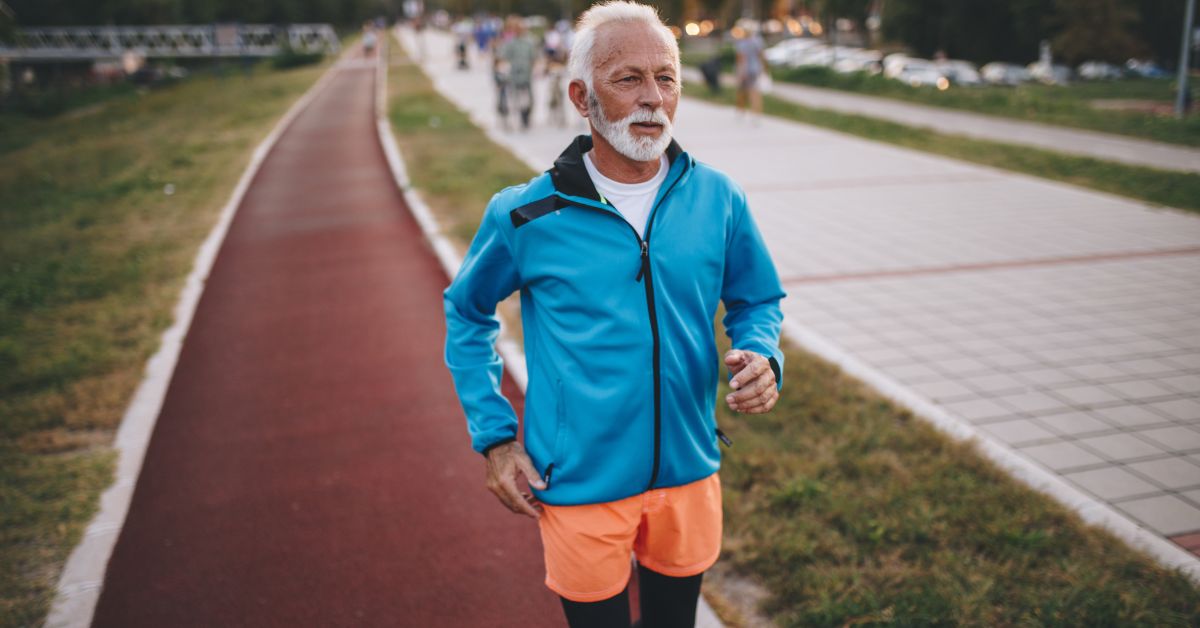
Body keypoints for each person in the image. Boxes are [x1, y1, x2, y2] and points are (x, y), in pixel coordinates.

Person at [443, 2, 784, 626]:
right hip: (578, 484)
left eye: (667, 77)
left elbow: (757, 297)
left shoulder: (717, 196)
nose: (653, 98)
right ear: (582, 95)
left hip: (688, 472)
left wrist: (763, 353)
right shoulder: (525, 215)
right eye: (628, 79)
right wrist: (494, 437)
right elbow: (466, 314)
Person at [497, 15, 538, 130]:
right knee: (513, 98)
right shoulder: (510, 43)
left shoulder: (529, 42)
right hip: (513, 75)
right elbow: (503, 58)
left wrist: (535, 69)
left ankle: (526, 116)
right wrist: (502, 71)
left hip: (526, 74)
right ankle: (515, 119)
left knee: (529, 99)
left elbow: (534, 57)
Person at [733, 25, 767, 120]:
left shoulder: (742, 43)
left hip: (745, 70)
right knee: (755, 91)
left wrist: (741, 73)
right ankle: (757, 112)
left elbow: (741, 59)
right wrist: (764, 69)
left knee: (742, 91)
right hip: (756, 69)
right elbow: (762, 56)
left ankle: (740, 111)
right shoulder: (758, 41)